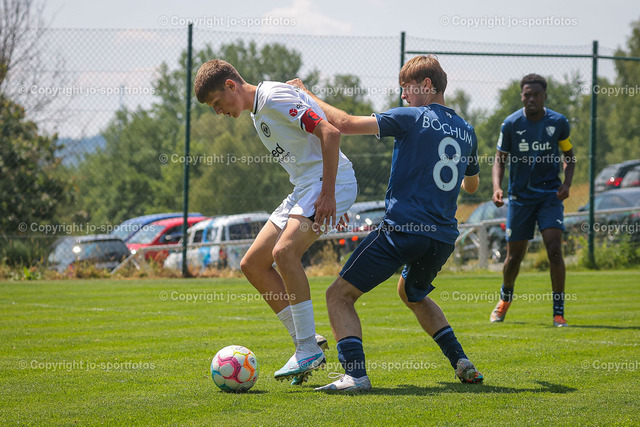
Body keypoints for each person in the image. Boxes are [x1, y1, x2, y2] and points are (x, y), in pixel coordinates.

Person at [287, 55, 483, 392]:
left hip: (404, 229)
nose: (403, 96)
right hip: (442, 238)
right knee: (411, 293)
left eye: (407, 88)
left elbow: (344, 123)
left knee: (338, 295)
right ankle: (461, 361)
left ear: (426, 85)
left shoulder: (412, 117)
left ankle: (355, 376)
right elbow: (472, 185)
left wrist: (305, 94)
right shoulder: (467, 131)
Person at [194, 60, 358, 384]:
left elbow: (330, 132)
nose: (218, 112)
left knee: (284, 252)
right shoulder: (259, 110)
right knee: (253, 264)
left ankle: (307, 348)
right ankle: (307, 341)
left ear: (231, 86)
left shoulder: (272, 98)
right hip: (307, 187)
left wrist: (330, 194)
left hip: (327, 182)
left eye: (217, 103)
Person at [490, 73, 576, 327]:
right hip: (520, 198)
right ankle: (505, 299)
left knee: (554, 248)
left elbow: (569, 156)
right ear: (522, 96)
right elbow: (499, 159)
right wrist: (497, 187)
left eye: (536, 95)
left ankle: (558, 313)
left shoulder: (558, 122)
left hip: (550, 196)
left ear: (544, 97)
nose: (531, 99)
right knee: (513, 258)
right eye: (527, 95)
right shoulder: (510, 124)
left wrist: (567, 184)